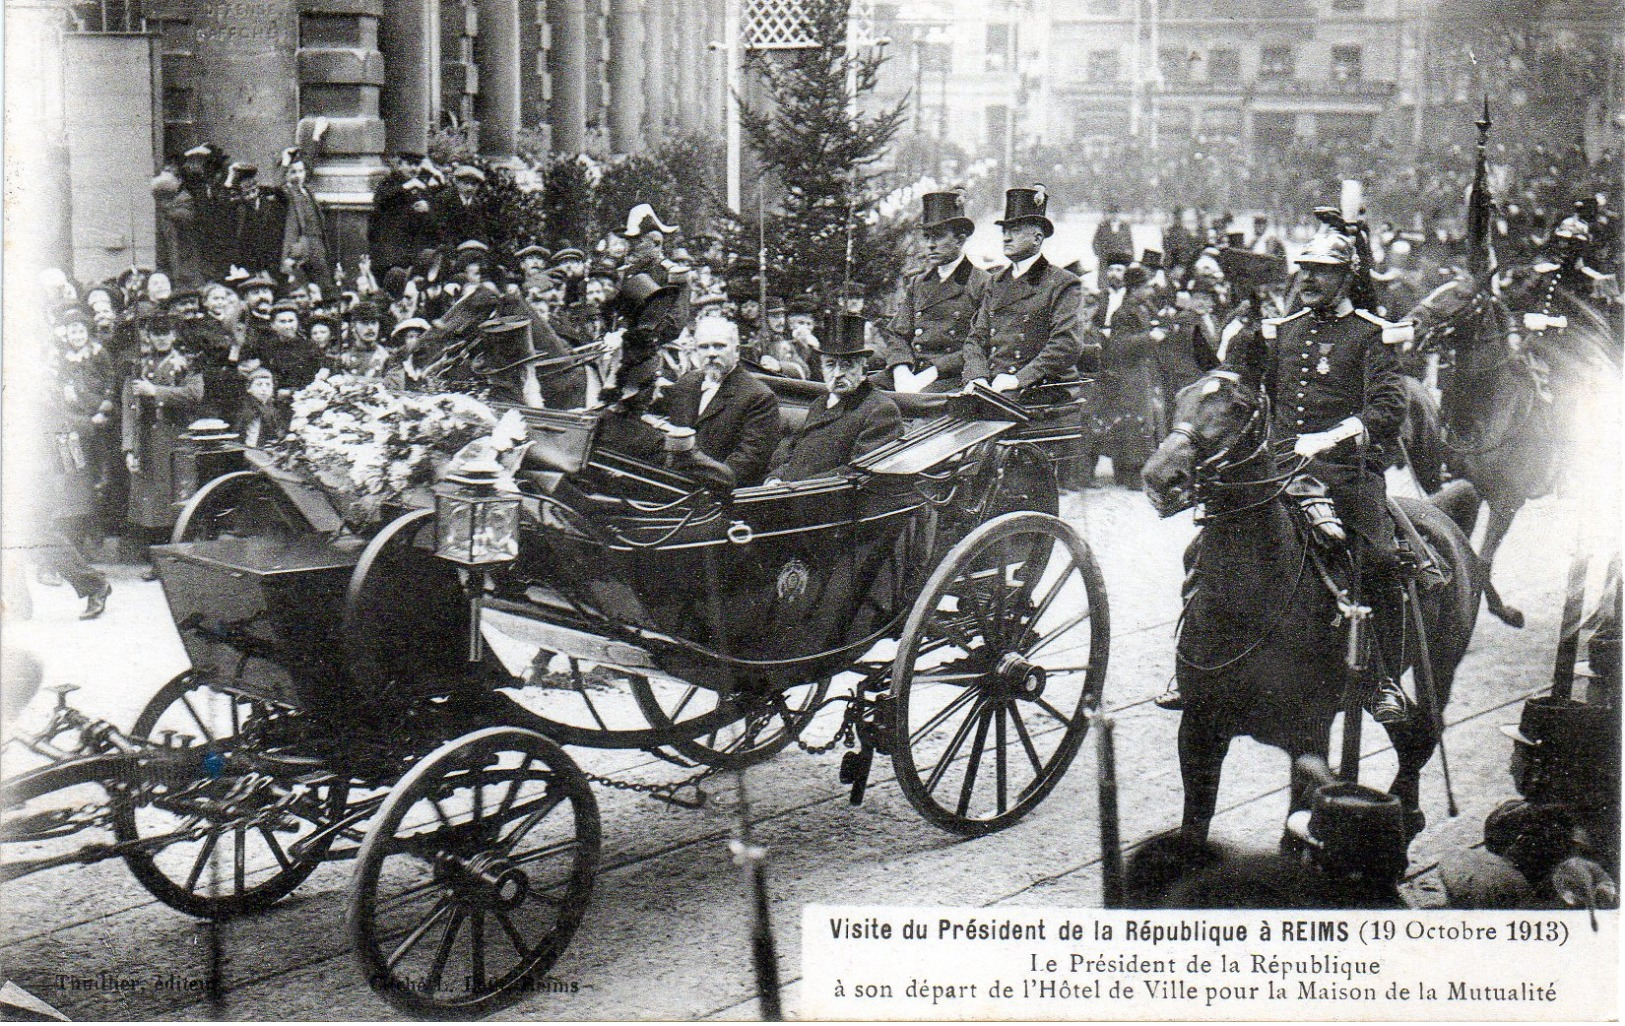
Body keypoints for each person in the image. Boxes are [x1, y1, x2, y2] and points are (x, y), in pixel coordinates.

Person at [1219, 223, 1412, 722]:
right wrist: (1237, 336)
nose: (1309, 279)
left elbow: (1388, 407)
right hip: (1281, 471)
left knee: (1382, 561)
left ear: (1347, 278)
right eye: (1305, 270)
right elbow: (1250, 389)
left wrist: (1333, 437)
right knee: (1209, 546)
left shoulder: (1370, 334)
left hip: (1346, 473)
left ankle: (1384, 678)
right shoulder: (1284, 330)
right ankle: (1205, 656)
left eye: (1323, 272)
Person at [962, 186, 1089, 394]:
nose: (1006, 238)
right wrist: (977, 377)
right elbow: (976, 338)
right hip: (995, 386)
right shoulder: (996, 282)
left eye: (1016, 230)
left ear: (1037, 238)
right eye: (1005, 231)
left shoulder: (1063, 283)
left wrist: (1020, 379)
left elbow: (1066, 344)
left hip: (1041, 386)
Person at [769, 312, 902, 482]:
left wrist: (794, 487)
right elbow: (793, 457)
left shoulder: (880, 410)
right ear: (822, 368)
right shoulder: (820, 404)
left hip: (828, 501)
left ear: (863, 370)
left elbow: (860, 473)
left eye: (847, 365)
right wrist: (774, 478)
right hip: (791, 495)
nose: (838, 374)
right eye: (831, 365)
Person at [121, 314, 204, 572]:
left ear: (174, 335)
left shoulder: (186, 363)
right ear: (149, 336)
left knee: (176, 500)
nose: (161, 338)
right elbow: (128, 406)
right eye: (156, 333)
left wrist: (156, 391)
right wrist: (129, 447)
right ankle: (156, 561)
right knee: (151, 502)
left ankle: (177, 561)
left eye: (166, 333)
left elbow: (194, 394)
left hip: (176, 440)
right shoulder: (138, 365)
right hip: (146, 439)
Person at [884, 191, 989, 393]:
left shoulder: (982, 283)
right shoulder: (918, 282)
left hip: (951, 376)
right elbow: (897, 333)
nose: (931, 244)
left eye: (939, 236)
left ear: (959, 240)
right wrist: (901, 371)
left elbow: (981, 344)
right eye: (927, 237)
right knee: (860, 394)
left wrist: (932, 373)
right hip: (912, 371)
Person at [661, 317, 782, 488]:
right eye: (704, 347)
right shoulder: (686, 384)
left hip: (720, 494)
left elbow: (746, 464)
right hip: (675, 486)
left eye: (719, 346)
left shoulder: (759, 397)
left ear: (737, 351)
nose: (711, 353)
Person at [369, 151, 440, 273]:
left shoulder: (421, 186)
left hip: (414, 249)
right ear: (400, 164)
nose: (413, 168)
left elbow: (435, 219)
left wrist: (427, 208)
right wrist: (406, 187)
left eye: (417, 165)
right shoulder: (389, 182)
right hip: (390, 249)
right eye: (410, 164)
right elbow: (380, 201)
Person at [280, 149, 333, 289]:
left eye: (300, 171)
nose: (298, 176)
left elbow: (310, 161)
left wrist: (316, 139)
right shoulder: (288, 193)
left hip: (318, 243)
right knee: (299, 285)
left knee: (325, 283)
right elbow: (278, 187)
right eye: (293, 172)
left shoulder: (308, 191)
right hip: (299, 244)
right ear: (286, 175)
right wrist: (285, 161)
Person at [431, 164, 492, 249]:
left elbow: (480, 229)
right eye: (466, 183)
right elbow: (439, 227)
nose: (469, 188)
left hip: (468, 248)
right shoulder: (444, 199)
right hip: (446, 246)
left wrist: (482, 246)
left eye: (474, 184)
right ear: (456, 182)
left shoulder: (477, 203)